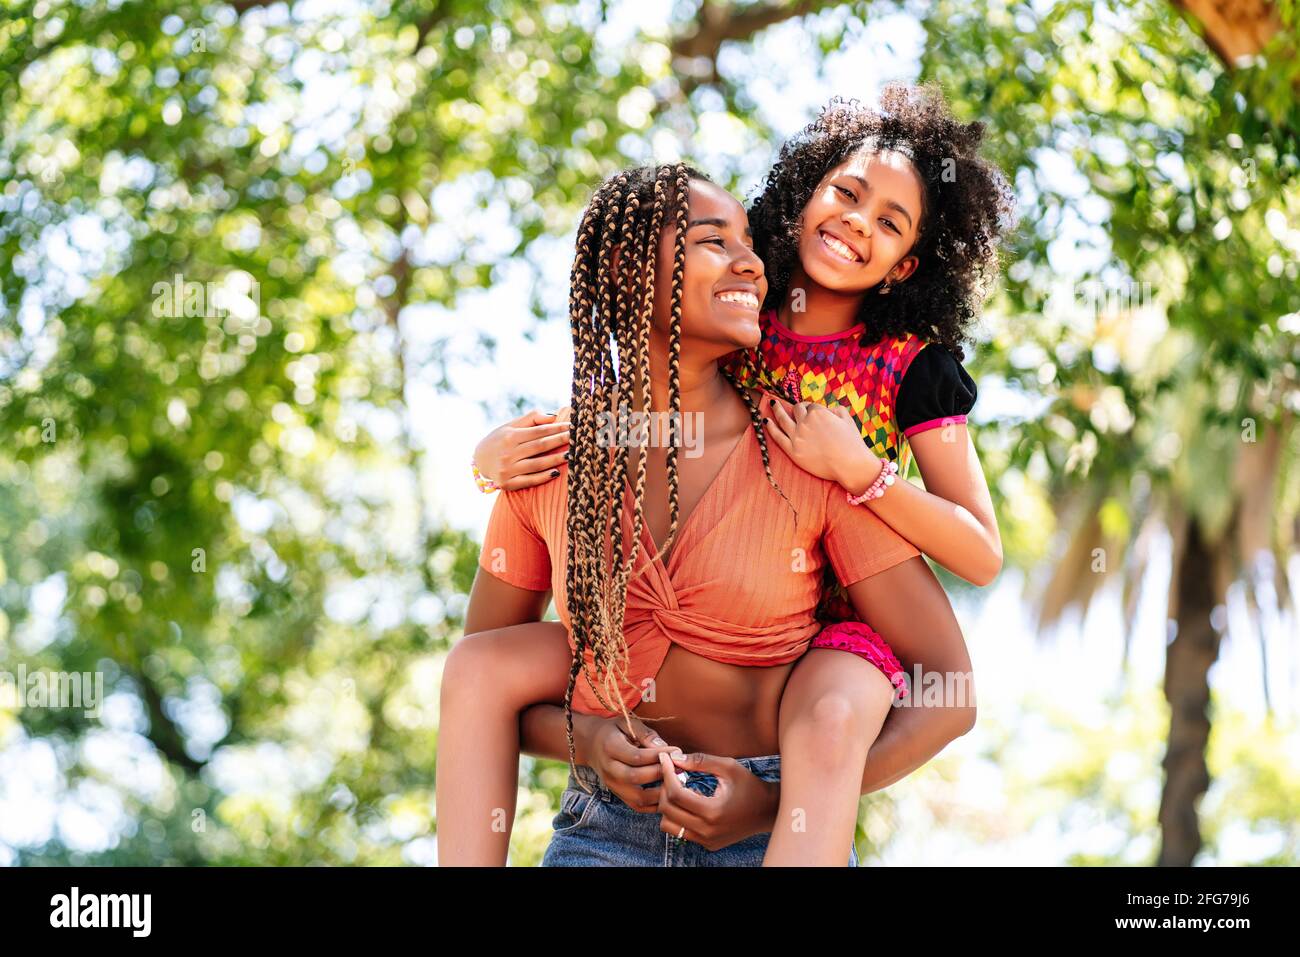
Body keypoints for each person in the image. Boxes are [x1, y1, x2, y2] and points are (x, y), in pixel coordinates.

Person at [437, 162, 975, 867]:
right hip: (604, 834)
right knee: (475, 663)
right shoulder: (546, 464)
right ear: (630, 270)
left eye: (749, 241)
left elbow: (951, 690)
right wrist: (592, 738)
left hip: (776, 831)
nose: (754, 264)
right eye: (715, 241)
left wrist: (771, 799)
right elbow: (488, 692)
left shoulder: (806, 452)